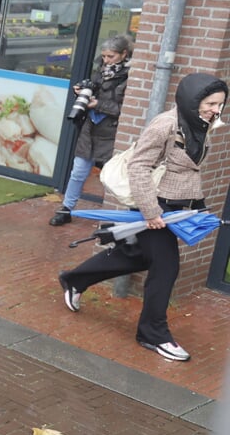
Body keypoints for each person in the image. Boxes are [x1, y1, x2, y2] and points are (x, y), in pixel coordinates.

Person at [58, 72, 227, 362]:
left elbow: (187, 170)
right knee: (166, 268)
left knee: (133, 256)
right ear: (193, 100)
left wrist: (197, 207)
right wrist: (151, 212)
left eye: (221, 104)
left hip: (174, 209)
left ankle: (74, 280)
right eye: (211, 103)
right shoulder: (165, 125)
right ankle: (153, 333)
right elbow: (138, 168)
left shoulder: (201, 124)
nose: (216, 110)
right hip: (154, 207)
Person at [50, 35, 133, 226]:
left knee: (111, 177)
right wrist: (82, 92)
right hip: (91, 128)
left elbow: (127, 110)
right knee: (78, 172)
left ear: (124, 54)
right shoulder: (100, 71)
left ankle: (111, 215)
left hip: (112, 133)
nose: (106, 60)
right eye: (104, 56)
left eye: (111, 56)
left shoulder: (131, 77)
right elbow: (94, 90)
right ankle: (66, 209)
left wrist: (98, 104)